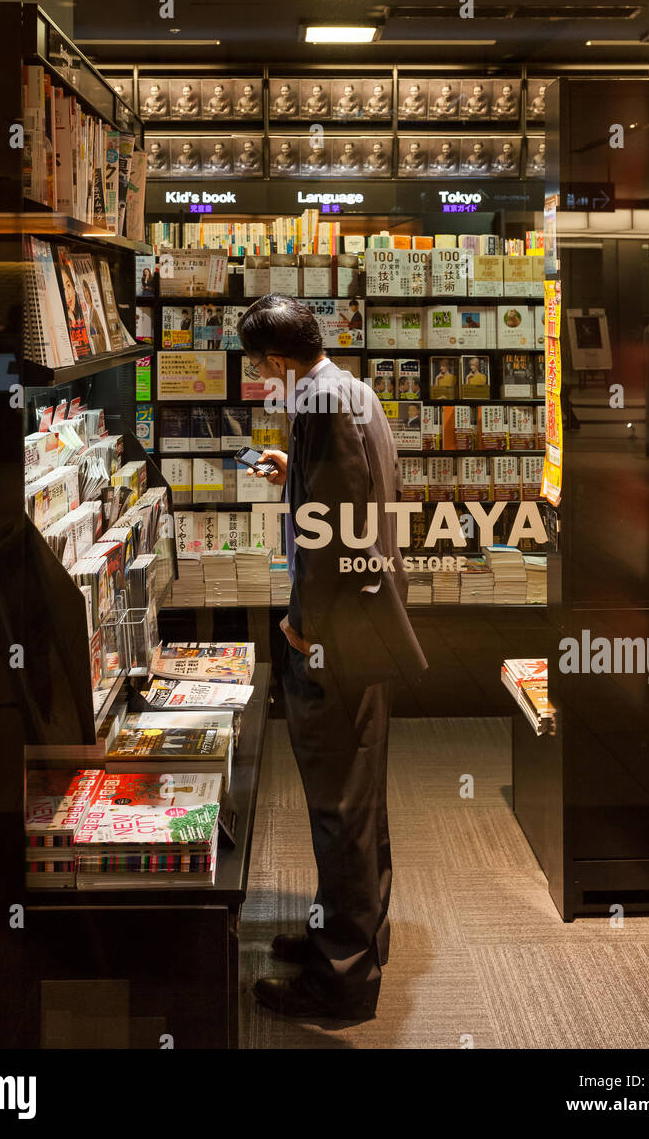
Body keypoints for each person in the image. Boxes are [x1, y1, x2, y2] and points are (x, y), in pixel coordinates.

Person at [238, 295, 427, 1021]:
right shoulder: (349, 390)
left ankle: (342, 980)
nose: (263, 381)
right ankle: (340, 937)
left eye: (262, 370)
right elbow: (358, 493)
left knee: (340, 808)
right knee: (355, 800)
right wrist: (296, 470)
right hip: (363, 624)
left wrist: (304, 625)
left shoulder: (318, 404)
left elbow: (341, 530)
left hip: (335, 638)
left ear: (277, 361)